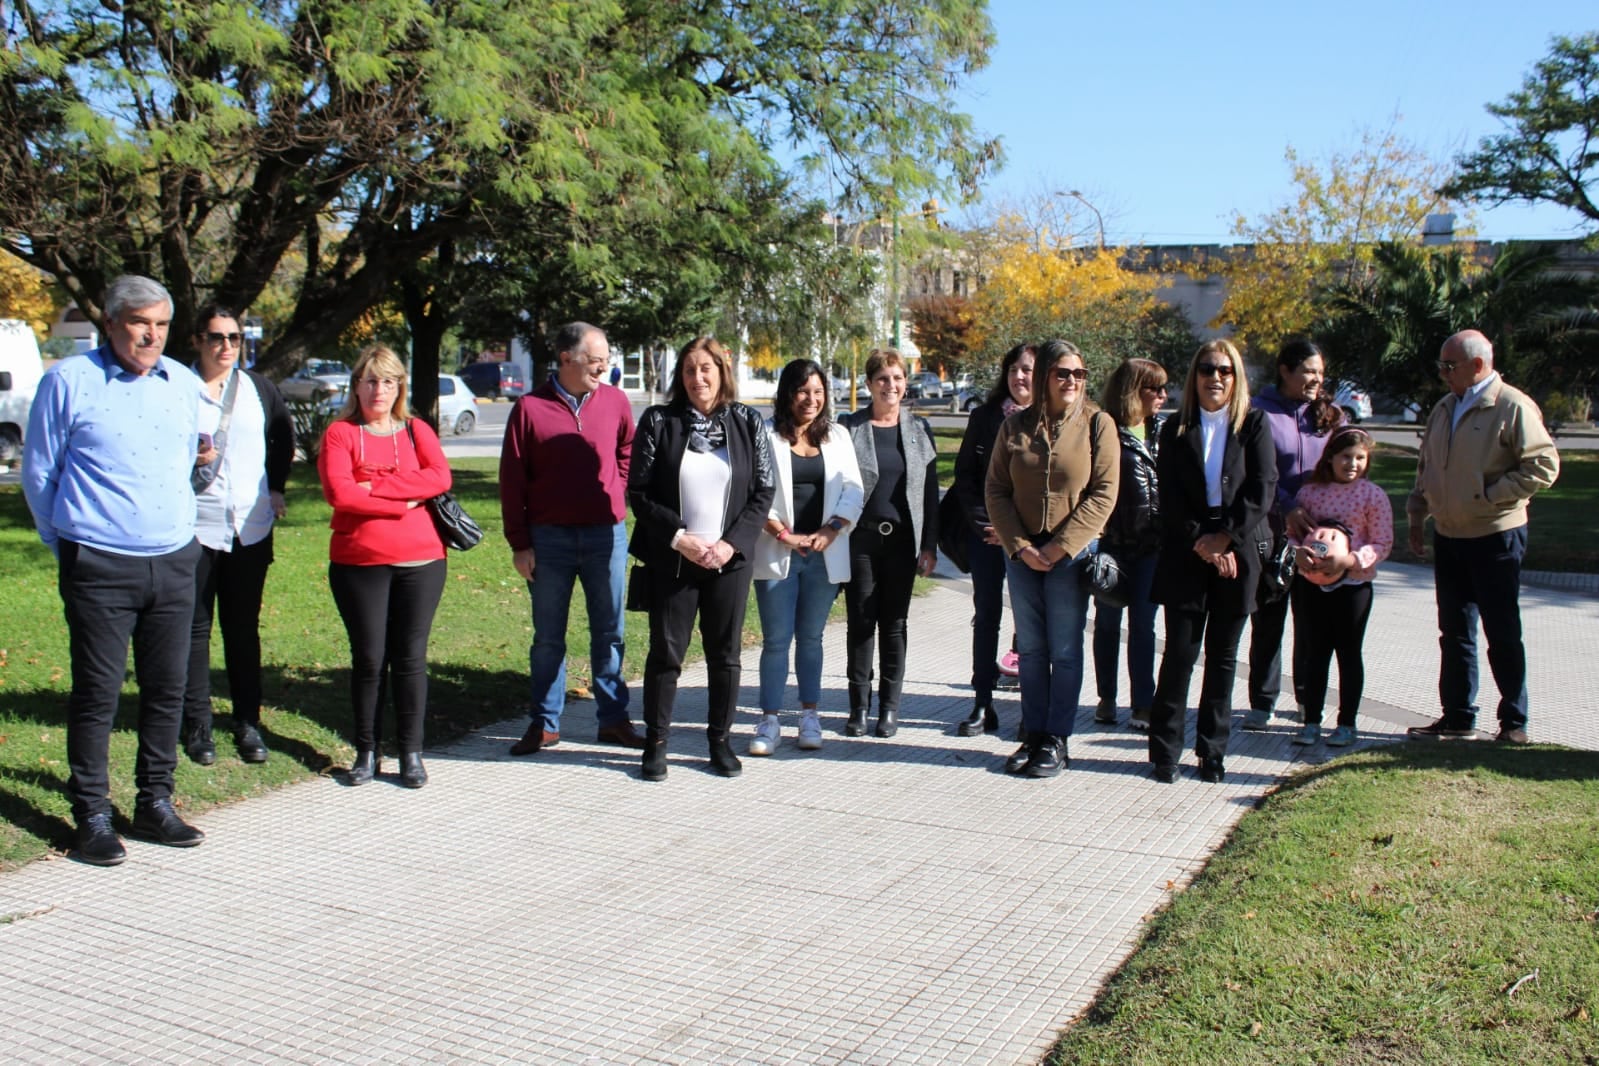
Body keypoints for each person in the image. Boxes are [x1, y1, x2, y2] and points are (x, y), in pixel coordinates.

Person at [22, 274, 206, 865]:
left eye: (160, 325)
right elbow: (39, 474)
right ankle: (93, 815)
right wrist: (71, 545)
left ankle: (155, 801)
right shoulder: (68, 381)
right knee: (98, 694)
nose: (151, 335)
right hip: (98, 561)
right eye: (139, 323)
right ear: (111, 325)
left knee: (167, 689)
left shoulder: (182, 382)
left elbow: (184, 465)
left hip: (175, 559)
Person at [628, 337, 775, 780]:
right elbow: (639, 491)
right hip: (674, 558)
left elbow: (763, 490)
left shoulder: (748, 421)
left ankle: (719, 742)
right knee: (666, 654)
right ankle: (655, 745)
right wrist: (678, 538)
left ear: (721, 372)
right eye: (690, 370)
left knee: (725, 655)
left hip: (728, 560)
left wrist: (730, 543)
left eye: (706, 368)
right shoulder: (658, 421)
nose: (698, 378)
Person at [1405, 329, 1559, 744]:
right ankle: (1457, 717)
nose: (1442, 374)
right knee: (1454, 632)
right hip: (1449, 534)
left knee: (1501, 629)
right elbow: (1427, 468)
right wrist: (1418, 514)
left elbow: (1543, 465)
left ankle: (1514, 722)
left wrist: (1491, 496)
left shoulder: (1511, 405)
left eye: (1449, 366)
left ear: (1478, 365)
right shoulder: (1444, 407)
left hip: (1495, 536)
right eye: (1440, 365)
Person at [499, 321, 643, 756]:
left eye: (605, 360)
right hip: (549, 541)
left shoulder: (616, 401)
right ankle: (545, 723)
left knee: (610, 632)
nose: (603, 368)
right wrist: (520, 544)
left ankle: (613, 719)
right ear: (566, 358)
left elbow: (627, 451)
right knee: (548, 637)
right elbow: (512, 480)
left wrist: (616, 490)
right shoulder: (529, 408)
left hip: (606, 536)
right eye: (595, 360)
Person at [318, 345, 453, 789]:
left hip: (422, 561)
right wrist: (404, 499)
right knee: (370, 659)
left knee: (410, 658)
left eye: (389, 381)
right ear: (356, 385)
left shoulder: (416, 430)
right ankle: (367, 750)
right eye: (371, 380)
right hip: (360, 563)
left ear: (400, 387)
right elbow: (340, 494)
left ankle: (411, 752)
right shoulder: (340, 434)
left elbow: (439, 478)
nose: (379, 390)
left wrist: (373, 486)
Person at [986, 339, 1119, 777]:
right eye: (1063, 373)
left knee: (1064, 648)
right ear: (1044, 376)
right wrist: (1021, 546)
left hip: (1072, 554)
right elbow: (996, 491)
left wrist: (1060, 547)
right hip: (1023, 553)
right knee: (1033, 649)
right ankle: (1034, 733)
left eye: (1079, 375)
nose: (1072, 382)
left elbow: (1104, 493)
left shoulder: (1098, 424)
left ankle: (1056, 738)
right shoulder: (1015, 427)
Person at [1147, 340, 1276, 784]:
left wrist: (1226, 539)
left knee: (1223, 657)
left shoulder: (1254, 424)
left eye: (1224, 370)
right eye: (1206, 369)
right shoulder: (1174, 431)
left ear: (1236, 377)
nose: (1215, 377)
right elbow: (1170, 498)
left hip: (1238, 551)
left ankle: (1212, 751)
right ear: (1194, 376)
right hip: (1188, 551)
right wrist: (1203, 542)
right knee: (1179, 655)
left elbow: (1262, 488)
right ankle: (1165, 752)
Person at [181, 303, 294, 767]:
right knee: (193, 630)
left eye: (233, 338)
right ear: (196, 341)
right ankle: (197, 724)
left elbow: (283, 435)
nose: (225, 346)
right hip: (193, 526)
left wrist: (277, 486)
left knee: (242, 629)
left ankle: (248, 722)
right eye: (215, 337)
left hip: (249, 527)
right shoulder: (176, 389)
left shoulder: (258, 389)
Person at [749, 358, 864, 755]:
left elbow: (854, 489)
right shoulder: (765, 435)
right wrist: (783, 533)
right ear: (787, 393)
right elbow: (755, 491)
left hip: (822, 553)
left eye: (818, 392)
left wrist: (831, 530)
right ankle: (769, 720)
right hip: (778, 550)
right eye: (803, 391)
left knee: (811, 638)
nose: (811, 399)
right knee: (776, 640)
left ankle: (810, 716)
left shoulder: (837, 436)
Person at [1243, 338, 1342, 732]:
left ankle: (1307, 699)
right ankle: (1262, 702)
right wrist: (1285, 505)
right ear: (1285, 370)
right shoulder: (1257, 412)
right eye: (1308, 371)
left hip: (1319, 535)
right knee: (1269, 618)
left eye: (1320, 372)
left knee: (1312, 622)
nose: (1316, 379)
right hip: (1270, 530)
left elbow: (1349, 462)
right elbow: (1251, 470)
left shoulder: (1331, 415)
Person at [841, 348, 940, 739]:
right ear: (869, 384)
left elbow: (930, 492)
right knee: (861, 623)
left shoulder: (919, 431)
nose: (891, 386)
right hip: (860, 540)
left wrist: (929, 544)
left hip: (902, 542)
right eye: (882, 379)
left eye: (897, 378)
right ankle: (858, 708)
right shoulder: (850, 427)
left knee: (894, 625)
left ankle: (889, 708)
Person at [1288, 427, 1394, 747]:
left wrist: (1349, 561)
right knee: (1315, 653)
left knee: (1348, 653)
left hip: (1353, 588)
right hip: (1312, 586)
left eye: (1360, 458)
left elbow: (1382, 542)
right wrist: (1298, 553)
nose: (1352, 464)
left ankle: (1347, 723)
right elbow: (1293, 534)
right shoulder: (1310, 493)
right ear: (1331, 458)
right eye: (1346, 457)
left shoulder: (1372, 495)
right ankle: (1310, 721)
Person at [950, 343, 1034, 737]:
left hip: (1031, 541)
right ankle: (982, 702)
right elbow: (966, 476)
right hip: (986, 537)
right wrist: (988, 523)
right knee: (986, 618)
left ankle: (1032, 709)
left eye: (1029, 370)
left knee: (1031, 625)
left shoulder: (1050, 419)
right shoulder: (985, 417)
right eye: (1015, 369)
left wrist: (1017, 533)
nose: (1021, 376)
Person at [1091, 357, 1168, 731]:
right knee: (1107, 622)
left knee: (1144, 625)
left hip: (1152, 546)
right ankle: (1106, 697)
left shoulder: (1164, 430)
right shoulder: (1103, 430)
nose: (1163, 396)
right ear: (1133, 391)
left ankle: (1143, 704)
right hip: (1114, 544)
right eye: (1155, 388)